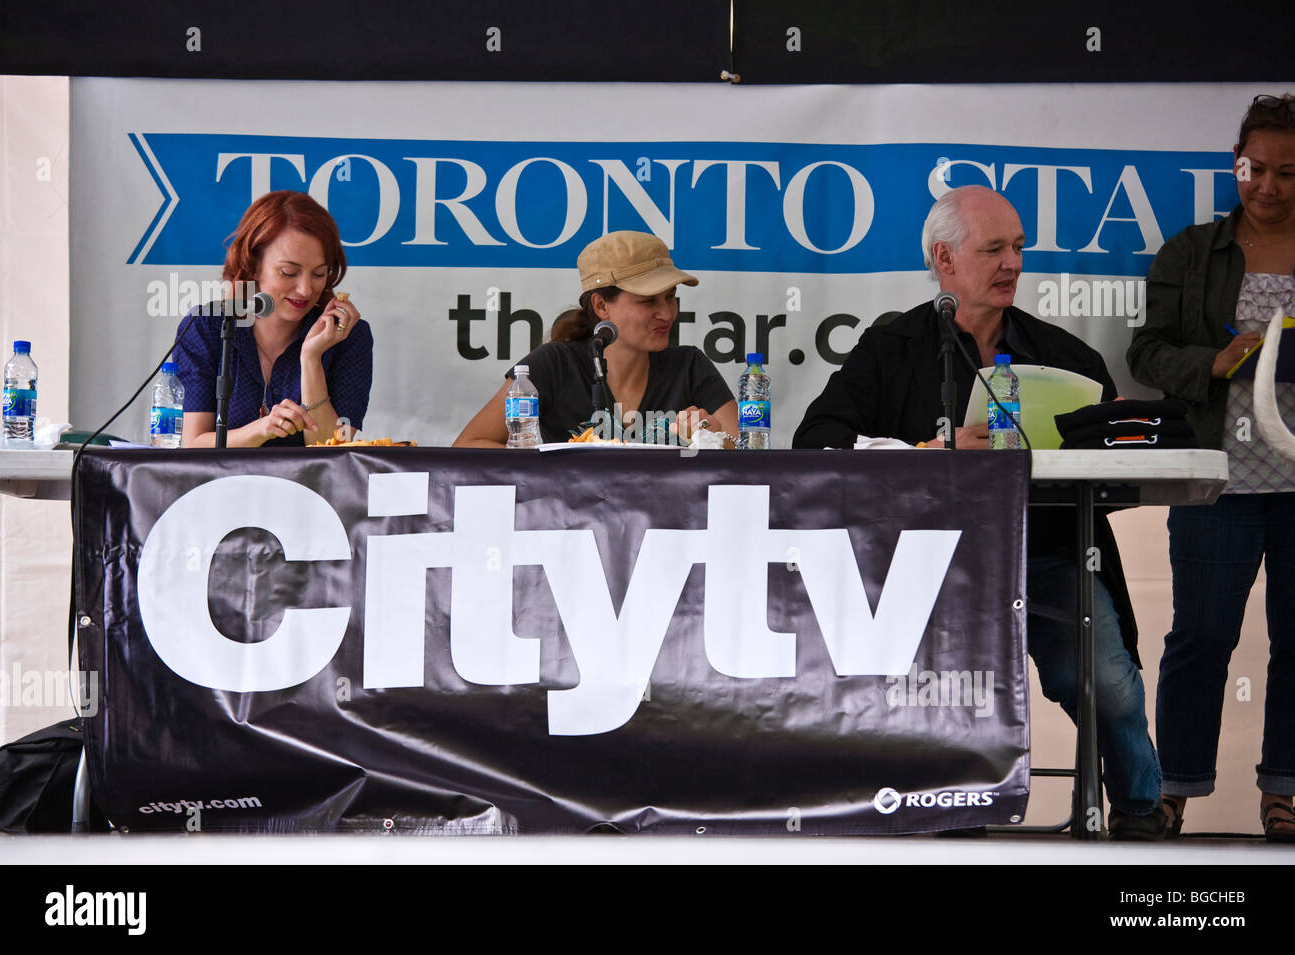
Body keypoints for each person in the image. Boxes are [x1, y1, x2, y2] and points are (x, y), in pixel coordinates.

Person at [795, 185, 1168, 839]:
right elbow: (817, 444)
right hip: (927, 570)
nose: (1012, 263)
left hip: (1045, 551)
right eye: (993, 248)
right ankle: (949, 812)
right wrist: (930, 451)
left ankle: (1138, 812)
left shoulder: (1066, 358)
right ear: (945, 258)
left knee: (1110, 685)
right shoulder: (891, 349)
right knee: (925, 691)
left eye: (1018, 247)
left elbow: (1118, 462)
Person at [1126, 93, 1295, 841]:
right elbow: (1146, 351)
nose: (1267, 187)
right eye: (1254, 169)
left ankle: (1284, 793)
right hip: (1215, 476)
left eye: (1288, 173)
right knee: (1199, 635)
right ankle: (1173, 789)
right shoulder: (1191, 252)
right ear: (1235, 164)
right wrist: (1214, 359)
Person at [453, 231, 737, 447]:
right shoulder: (554, 363)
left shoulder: (690, 365)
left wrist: (713, 440)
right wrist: (547, 469)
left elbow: (749, 458)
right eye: (648, 301)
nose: (666, 313)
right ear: (602, 306)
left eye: (671, 297)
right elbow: (468, 446)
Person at [173, 190, 373, 447]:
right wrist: (261, 429)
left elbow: (331, 447)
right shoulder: (206, 327)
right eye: (289, 272)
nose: (305, 289)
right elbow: (193, 443)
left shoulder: (348, 336)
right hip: (220, 485)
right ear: (253, 264)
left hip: (308, 486)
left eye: (319, 273)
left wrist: (311, 359)